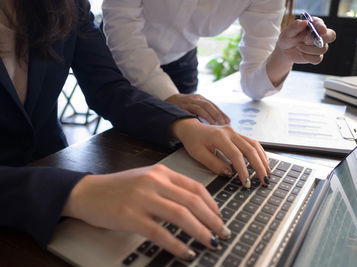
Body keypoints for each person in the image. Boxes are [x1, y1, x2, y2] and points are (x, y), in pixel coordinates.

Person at [0, 0, 271, 261]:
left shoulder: (68, 4)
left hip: (52, 167)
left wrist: (184, 125)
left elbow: (108, 87)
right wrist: (75, 192)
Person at [102, 0, 336, 125]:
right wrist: (167, 97)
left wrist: (284, 54)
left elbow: (254, 86)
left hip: (180, 66)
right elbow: (122, 26)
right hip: (116, 57)